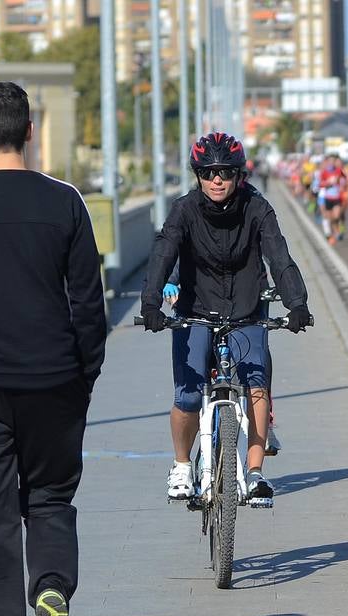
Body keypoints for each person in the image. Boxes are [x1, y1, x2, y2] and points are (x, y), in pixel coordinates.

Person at [0, 82, 107, 616]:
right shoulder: (65, 201)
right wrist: (85, 376)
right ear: (30, 131)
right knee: (50, 498)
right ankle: (51, 589)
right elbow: (89, 304)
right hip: (55, 378)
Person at [140, 131, 312, 506]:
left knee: (257, 386)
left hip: (246, 309)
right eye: (208, 172)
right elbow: (164, 253)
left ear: (239, 175)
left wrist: (296, 303)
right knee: (188, 395)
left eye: (226, 172)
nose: (216, 180)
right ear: (198, 175)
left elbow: (278, 256)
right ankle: (182, 465)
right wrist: (151, 303)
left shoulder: (257, 208)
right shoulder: (184, 209)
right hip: (195, 310)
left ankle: (255, 473)